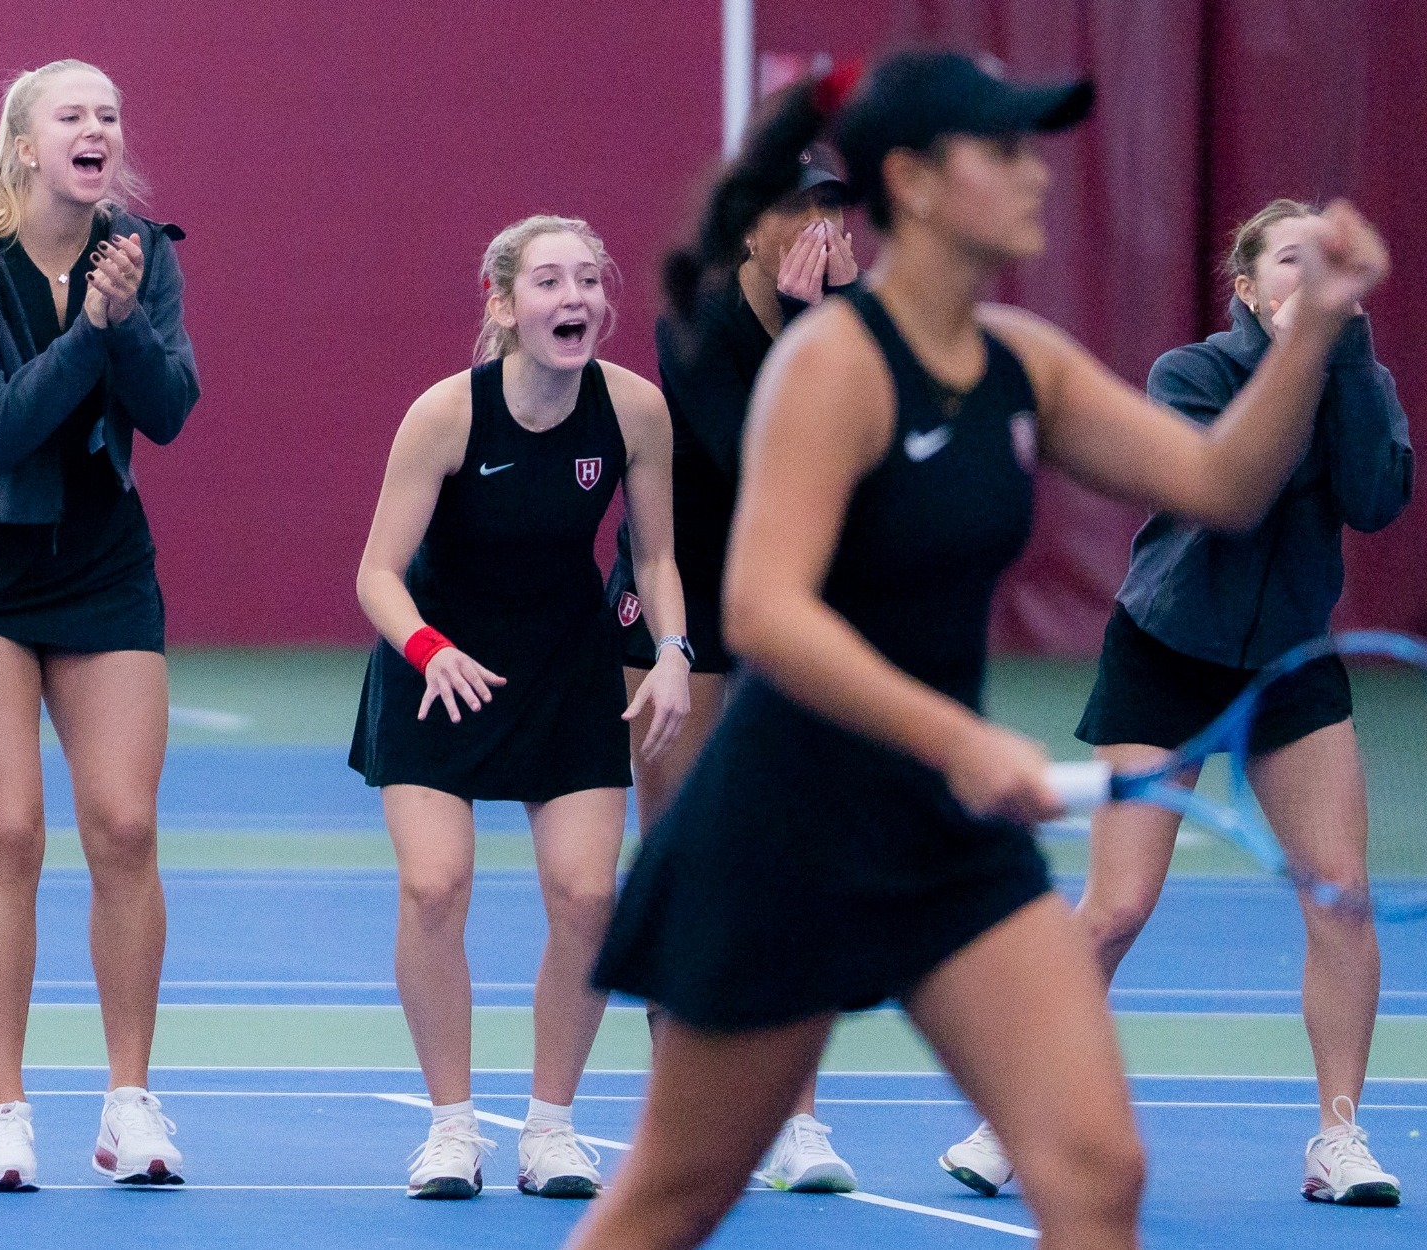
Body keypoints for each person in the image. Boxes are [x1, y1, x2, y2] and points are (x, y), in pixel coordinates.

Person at [568, 52, 1389, 1250]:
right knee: (672, 1196)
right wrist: (960, 737)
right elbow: (764, 612)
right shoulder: (832, 362)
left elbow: (1221, 481)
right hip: (784, 825)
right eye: (999, 150)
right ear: (910, 180)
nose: (1032, 173)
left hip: (942, 840)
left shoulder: (1019, 360)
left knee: (1095, 1167)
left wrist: (1314, 326)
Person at [940, 199, 1411, 1207]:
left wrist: (1350, 355)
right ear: (1246, 288)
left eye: (1321, 260)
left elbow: (1375, 497)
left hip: (1288, 662)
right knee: (1114, 906)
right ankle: (1010, 1109)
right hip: (1164, 652)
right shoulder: (1190, 375)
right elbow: (1223, 494)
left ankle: (1338, 1137)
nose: (1307, 272)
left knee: (1340, 891)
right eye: (1287, 258)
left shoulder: (1351, 376)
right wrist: (1296, 369)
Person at [349, 215, 691, 1200]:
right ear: (503, 304)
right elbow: (376, 572)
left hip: (564, 669)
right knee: (433, 886)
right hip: (437, 666)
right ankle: (450, 1126)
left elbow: (657, 554)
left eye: (587, 280)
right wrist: (427, 649)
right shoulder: (445, 415)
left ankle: (550, 1127)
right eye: (549, 281)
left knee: (587, 896)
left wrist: (671, 651)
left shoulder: (632, 410)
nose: (573, 297)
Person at [0, 59, 199, 1190]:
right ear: (25, 144)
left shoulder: (144, 252)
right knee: (13, 833)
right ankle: (2, 1109)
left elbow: (169, 410)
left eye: (110, 114)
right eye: (71, 115)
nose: (96, 129)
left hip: (101, 562)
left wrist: (123, 323)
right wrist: (92, 331)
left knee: (124, 824)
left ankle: (129, 1101)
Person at [605, 142, 862, 1193]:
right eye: (793, 208)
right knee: (681, 852)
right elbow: (752, 447)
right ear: (747, 227)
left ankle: (795, 1115)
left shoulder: (852, 331)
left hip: (783, 610)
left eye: (828, 209)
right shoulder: (692, 323)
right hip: (680, 607)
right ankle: (684, 1104)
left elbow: (854, 455)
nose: (817, 227)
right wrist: (806, 327)